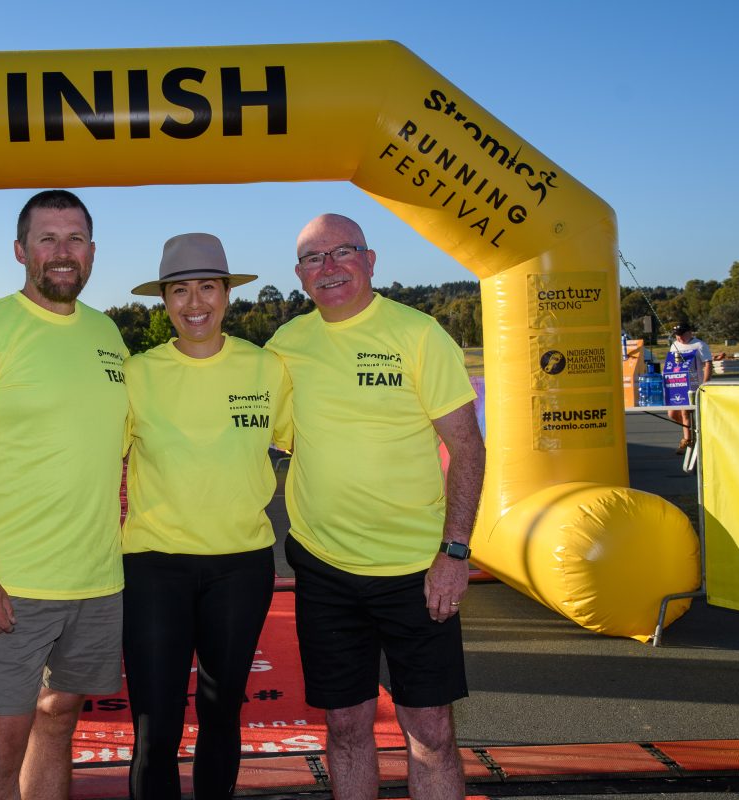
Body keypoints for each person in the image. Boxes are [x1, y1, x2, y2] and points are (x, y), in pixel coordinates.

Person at [0, 190, 129, 800]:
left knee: (59, 721)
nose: (63, 253)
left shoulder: (107, 333)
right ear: (21, 251)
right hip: (9, 584)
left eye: (75, 239)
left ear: (92, 252)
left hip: (95, 580)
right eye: (47, 239)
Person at [266, 214, 485, 800]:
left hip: (417, 571)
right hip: (325, 570)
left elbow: (467, 445)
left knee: (431, 733)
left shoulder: (417, 334)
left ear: (370, 259)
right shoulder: (286, 346)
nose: (329, 267)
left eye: (343, 252)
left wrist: (454, 552)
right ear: (300, 276)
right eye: (315, 259)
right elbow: (257, 431)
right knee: (344, 728)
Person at [122, 233, 292, 800]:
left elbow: (312, 449)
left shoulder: (267, 369)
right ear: (164, 301)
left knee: (222, 716)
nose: (195, 303)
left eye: (207, 288)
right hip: (153, 567)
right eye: (179, 291)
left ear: (227, 294)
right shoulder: (137, 374)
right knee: (156, 727)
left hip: (240, 567)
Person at [666, 322, 712, 454]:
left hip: (695, 385)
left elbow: (708, 365)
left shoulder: (699, 345)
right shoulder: (674, 346)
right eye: (677, 335)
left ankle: (687, 440)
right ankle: (692, 432)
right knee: (672, 414)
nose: (679, 338)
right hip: (679, 384)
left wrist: (705, 383)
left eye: (681, 335)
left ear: (689, 332)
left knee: (686, 413)